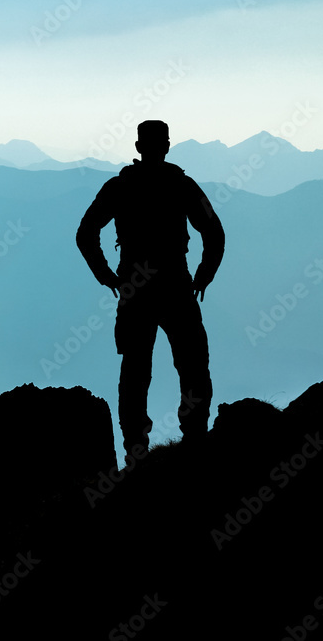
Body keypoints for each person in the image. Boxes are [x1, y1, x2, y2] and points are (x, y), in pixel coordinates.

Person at [76, 120, 225, 459]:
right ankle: (195, 441)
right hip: (176, 285)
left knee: (135, 371)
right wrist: (204, 275)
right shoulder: (182, 186)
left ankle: (136, 451)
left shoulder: (119, 187)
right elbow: (214, 233)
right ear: (168, 146)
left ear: (138, 147)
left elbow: (85, 233)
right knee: (193, 366)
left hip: (135, 289)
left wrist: (107, 276)